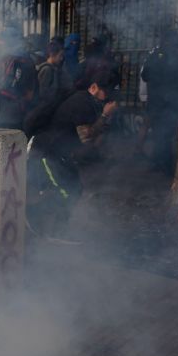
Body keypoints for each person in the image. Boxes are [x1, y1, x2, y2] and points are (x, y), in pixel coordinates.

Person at [27, 70, 120, 238]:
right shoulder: (82, 103)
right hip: (45, 153)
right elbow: (86, 136)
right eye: (106, 92)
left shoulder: (86, 100)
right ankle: (50, 228)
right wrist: (106, 115)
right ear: (93, 87)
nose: (107, 98)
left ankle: (51, 226)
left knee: (72, 189)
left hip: (57, 153)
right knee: (67, 191)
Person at [140, 27, 178, 175]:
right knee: (162, 134)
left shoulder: (158, 55)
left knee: (163, 134)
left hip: (164, 102)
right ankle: (160, 163)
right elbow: (146, 75)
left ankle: (164, 165)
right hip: (167, 102)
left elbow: (145, 75)